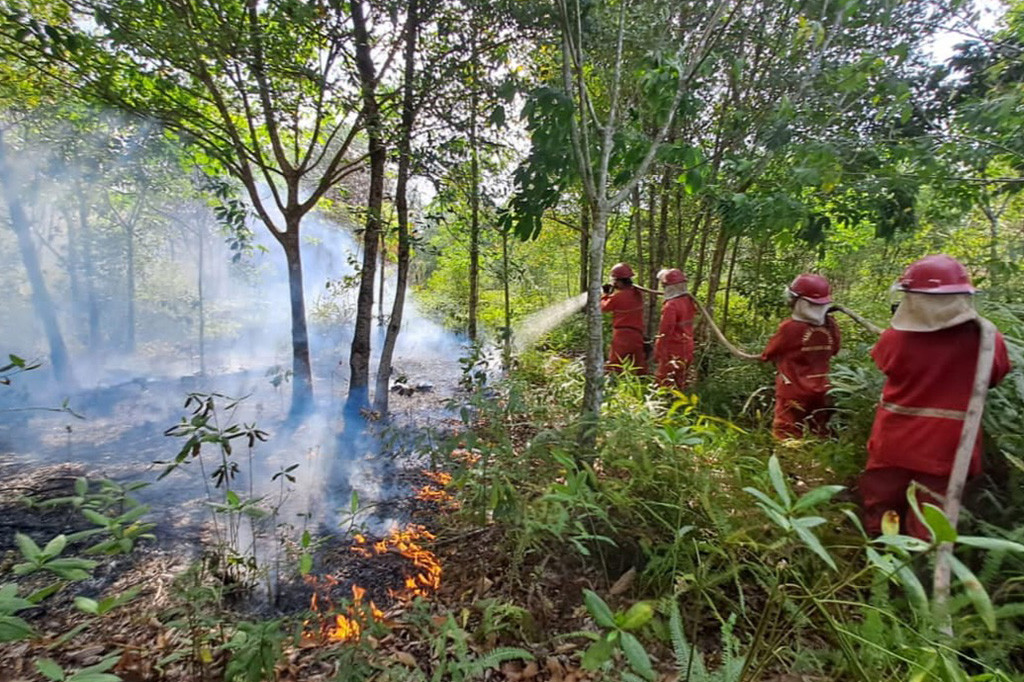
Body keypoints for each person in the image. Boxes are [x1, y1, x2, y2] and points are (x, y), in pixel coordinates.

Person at [859, 255, 1011, 539]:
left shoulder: (895, 338)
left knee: (881, 500)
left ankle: (881, 556)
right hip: (949, 446)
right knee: (931, 513)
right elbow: (994, 377)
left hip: (894, 438)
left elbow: (883, 363)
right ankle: (918, 571)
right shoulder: (988, 339)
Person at [761, 273, 841, 440]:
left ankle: (786, 460)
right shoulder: (831, 325)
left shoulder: (790, 328)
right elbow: (834, 350)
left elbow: (769, 353)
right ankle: (816, 461)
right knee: (819, 430)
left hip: (792, 390)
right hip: (822, 390)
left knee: (786, 429)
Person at [600, 262, 647, 374]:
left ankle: (611, 386)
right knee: (639, 366)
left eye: (615, 281)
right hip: (637, 335)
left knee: (614, 365)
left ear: (619, 281)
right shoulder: (637, 293)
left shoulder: (618, 296)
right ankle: (643, 387)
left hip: (622, 336)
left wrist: (605, 294)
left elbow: (603, 307)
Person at [654, 268, 696, 390]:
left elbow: (665, 331)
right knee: (680, 382)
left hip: (673, 349)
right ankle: (680, 406)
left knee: (664, 382)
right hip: (687, 347)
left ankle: (663, 407)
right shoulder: (688, 301)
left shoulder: (671, 305)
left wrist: (659, 349)